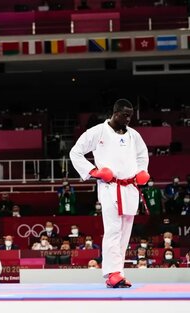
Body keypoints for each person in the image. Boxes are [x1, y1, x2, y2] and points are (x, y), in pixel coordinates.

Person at [70, 98, 149, 288]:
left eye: (130, 116)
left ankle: (118, 273)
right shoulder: (98, 132)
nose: (128, 119)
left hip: (130, 188)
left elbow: (142, 155)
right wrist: (93, 172)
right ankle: (112, 273)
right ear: (114, 113)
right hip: (110, 187)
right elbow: (76, 152)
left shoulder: (134, 135)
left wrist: (142, 170)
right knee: (113, 230)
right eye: (125, 115)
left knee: (124, 234)